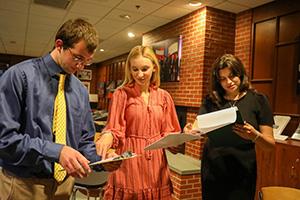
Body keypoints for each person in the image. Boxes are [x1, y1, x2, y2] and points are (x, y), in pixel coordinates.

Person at [0, 18, 120, 200]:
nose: (81, 67)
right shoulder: (19, 76)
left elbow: (84, 142)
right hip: (23, 185)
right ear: (59, 45)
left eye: (87, 61)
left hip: (64, 186)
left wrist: (103, 161)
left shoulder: (80, 90)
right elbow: (5, 139)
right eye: (78, 58)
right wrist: (57, 151)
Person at [95, 45, 181, 199]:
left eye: (145, 69)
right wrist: (107, 136)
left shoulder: (164, 96)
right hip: (129, 160)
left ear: (154, 68)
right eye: (135, 69)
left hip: (156, 162)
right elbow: (114, 128)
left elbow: (170, 133)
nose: (140, 74)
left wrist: (182, 138)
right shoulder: (121, 94)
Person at [184, 54, 275, 200]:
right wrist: (189, 132)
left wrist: (254, 135)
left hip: (243, 168)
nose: (229, 82)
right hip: (213, 166)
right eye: (222, 79)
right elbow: (196, 130)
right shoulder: (211, 100)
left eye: (232, 76)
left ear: (241, 73)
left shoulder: (258, 100)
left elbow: (270, 145)